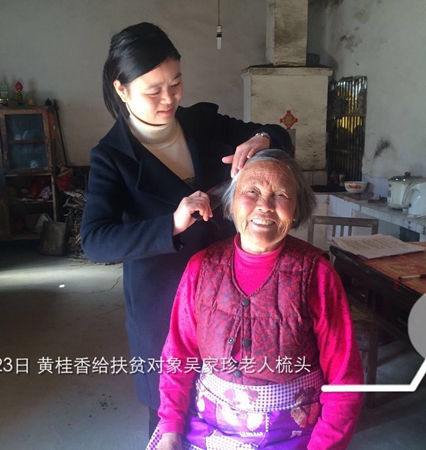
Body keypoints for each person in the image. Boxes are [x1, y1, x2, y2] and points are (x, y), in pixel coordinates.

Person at [80, 22, 292, 435]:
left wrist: (262, 139)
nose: (169, 99)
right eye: (153, 90)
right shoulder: (112, 156)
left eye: (176, 84)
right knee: (169, 413)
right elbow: (95, 241)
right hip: (163, 299)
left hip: (229, 292)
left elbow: (279, 134)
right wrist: (171, 225)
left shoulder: (200, 122)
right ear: (122, 89)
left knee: (233, 400)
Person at [147, 149, 364, 450]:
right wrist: (171, 429)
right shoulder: (201, 267)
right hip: (206, 432)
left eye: (281, 195)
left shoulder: (318, 274)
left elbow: (344, 378)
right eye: (251, 191)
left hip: (294, 440)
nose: (265, 205)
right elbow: (178, 356)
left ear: (296, 209)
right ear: (231, 203)